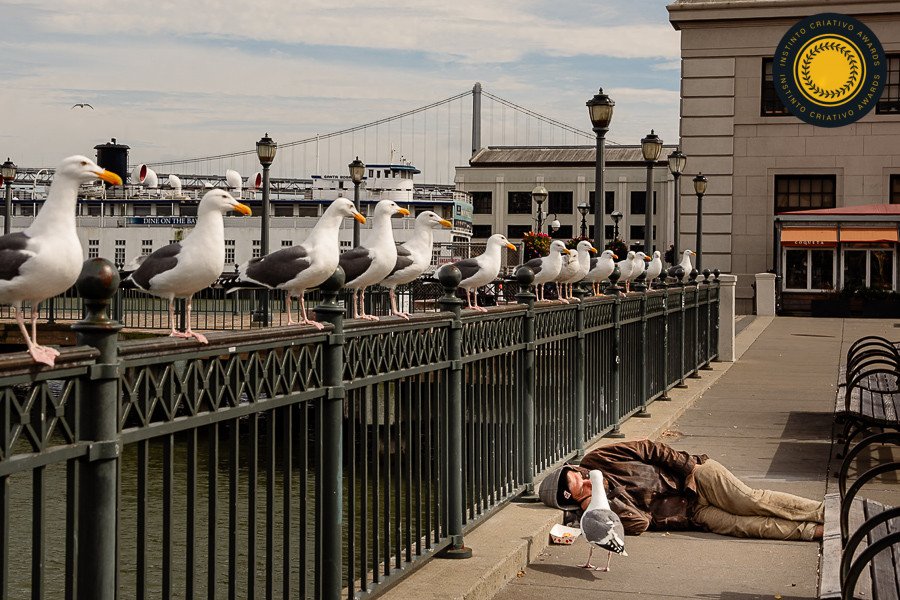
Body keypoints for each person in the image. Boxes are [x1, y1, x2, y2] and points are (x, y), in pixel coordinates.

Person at [538, 439, 824, 541]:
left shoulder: (599, 458)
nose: (588, 481)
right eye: (582, 490)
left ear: (574, 468)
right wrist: (603, 499)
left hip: (697, 478)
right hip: (691, 514)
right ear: (577, 501)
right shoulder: (600, 509)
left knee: (750, 501)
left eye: (581, 477)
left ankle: (825, 512)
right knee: (743, 526)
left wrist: (689, 469)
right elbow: (640, 523)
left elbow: (649, 448)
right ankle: (814, 531)